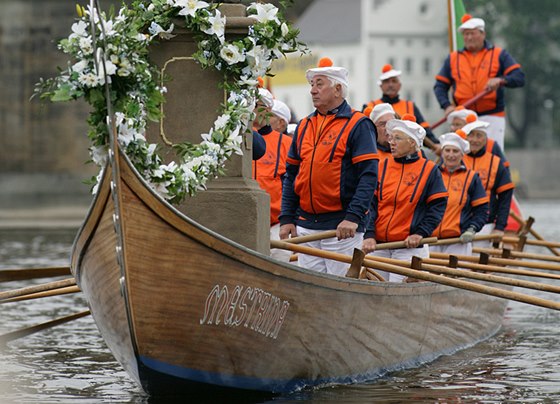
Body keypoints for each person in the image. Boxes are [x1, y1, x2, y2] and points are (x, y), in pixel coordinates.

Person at [279, 58, 379, 276]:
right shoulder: (305, 125)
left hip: (342, 228)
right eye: (312, 85)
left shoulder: (358, 124)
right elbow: (292, 175)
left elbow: (368, 177)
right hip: (307, 225)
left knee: (343, 293)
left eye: (319, 84)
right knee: (310, 291)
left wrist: (353, 217)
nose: (313, 91)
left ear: (338, 89)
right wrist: (287, 217)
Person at [363, 114, 448, 282]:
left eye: (397, 138)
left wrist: (420, 233)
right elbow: (370, 204)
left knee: (396, 292)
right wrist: (369, 234)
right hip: (378, 245)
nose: (391, 142)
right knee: (373, 292)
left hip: (409, 247)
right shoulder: (382, 166)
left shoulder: (429, 170)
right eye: (391, 138)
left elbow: (437, 207)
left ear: (412, 143)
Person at [434, 14, 525, 150]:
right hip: (464, 117)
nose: (469, 37)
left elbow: (519, 77)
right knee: (463, 157)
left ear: (483, 34)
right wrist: (446, 106)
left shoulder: (498, 54)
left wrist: (501, 80)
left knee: (494, 157)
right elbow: (440, 86)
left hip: (492, 115)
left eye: (472, 33)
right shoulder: (453, 58)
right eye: (465, 34)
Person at [456, 118, 515, 247]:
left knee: (478, 265)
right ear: (465, 138)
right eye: (471, 135)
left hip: (485, 225)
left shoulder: (496, 162)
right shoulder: (455, 159)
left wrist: (499, 227)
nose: (475, 140)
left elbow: (505, 196)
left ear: (486, 139)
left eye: (479, 136)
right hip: (456, 224)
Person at [430, 133, 489, 257]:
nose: (451, 155)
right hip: (430, 240)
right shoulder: (432, 175)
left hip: (458, 241)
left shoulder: (472, 177)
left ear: (462, 155)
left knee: (455, 276)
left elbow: (482, 210)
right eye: (447, 150)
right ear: (442, 153)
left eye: (455, 151)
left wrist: (472, 229)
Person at [365, 64, 441, 155]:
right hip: (379, 153)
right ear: (381, 86)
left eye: (394, 81)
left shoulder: (410, 106)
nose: (390, 85)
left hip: (405, 154)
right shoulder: (370, 106)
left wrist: (435, 144)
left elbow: (423, 130)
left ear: (399, 85)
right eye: (386, 82)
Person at [252, 92, 293, 261]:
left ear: (268, 110)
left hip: (276, 225)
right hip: (245, 221)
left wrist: (289, 220)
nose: (251, 111)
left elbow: (293, 185)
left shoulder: (286, 143)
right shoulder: (235, 137)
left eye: (256, 107)